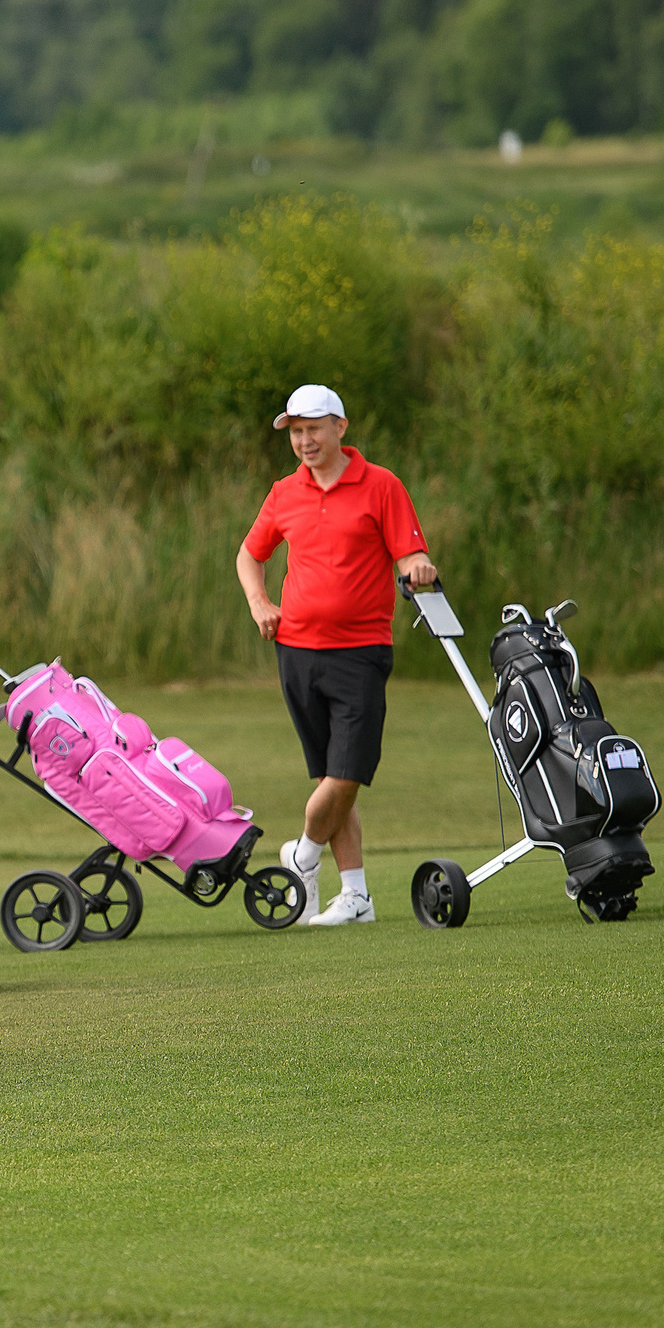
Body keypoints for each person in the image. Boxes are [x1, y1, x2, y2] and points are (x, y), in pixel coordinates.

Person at [234, 385, 436, 927]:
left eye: (313, 429)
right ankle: (356, 896)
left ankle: (302, 854)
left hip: (361, 650)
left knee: (346, 775)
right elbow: (250, 555)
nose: (304, 441)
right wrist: (259, 603)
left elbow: (409, 551)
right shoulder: (284, 492)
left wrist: (417, 566)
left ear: (340, 428)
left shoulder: (381, 485)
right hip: (296, 651)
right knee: (329, 774)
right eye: (296, 432)